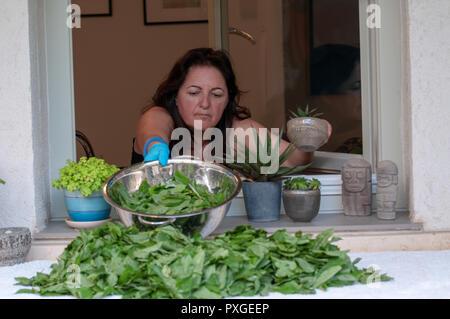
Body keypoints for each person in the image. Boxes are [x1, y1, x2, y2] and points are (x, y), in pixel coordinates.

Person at [132, 47, 331, 167]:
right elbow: (153, 126)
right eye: (194, 93)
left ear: (228, 100)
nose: (205, 103)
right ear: (175, 96)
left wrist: (309, 137)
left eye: (216, 94)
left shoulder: (236, 131)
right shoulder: (161, 116)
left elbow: (292, 160)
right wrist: (156, 144)